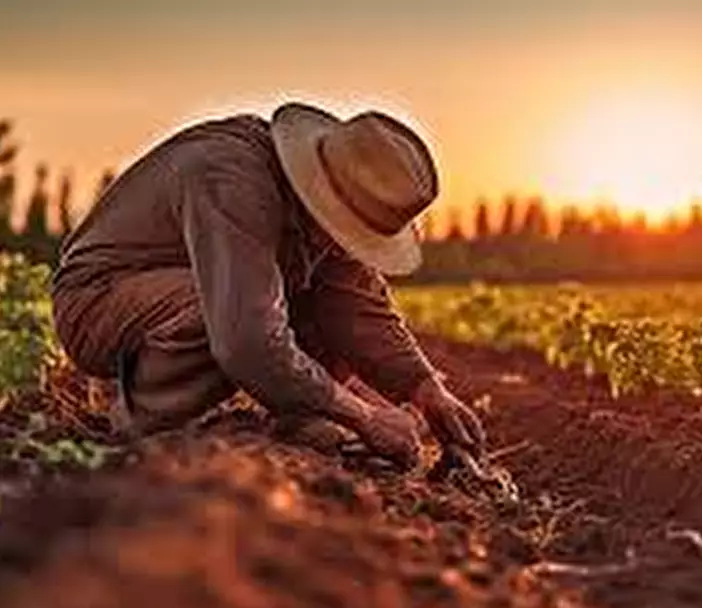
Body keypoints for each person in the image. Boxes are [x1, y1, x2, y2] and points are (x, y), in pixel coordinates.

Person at [51, 102, 485, 468]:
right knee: (226, 304)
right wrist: (365, 415)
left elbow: (360, 307)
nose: (346, 242)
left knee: (317, 292)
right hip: (97, 300)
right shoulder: (231, 179)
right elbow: (246, 340)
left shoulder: (324, 197)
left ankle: (300, 417)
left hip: (185, 290)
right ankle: (153, 432)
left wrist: (427, 390)